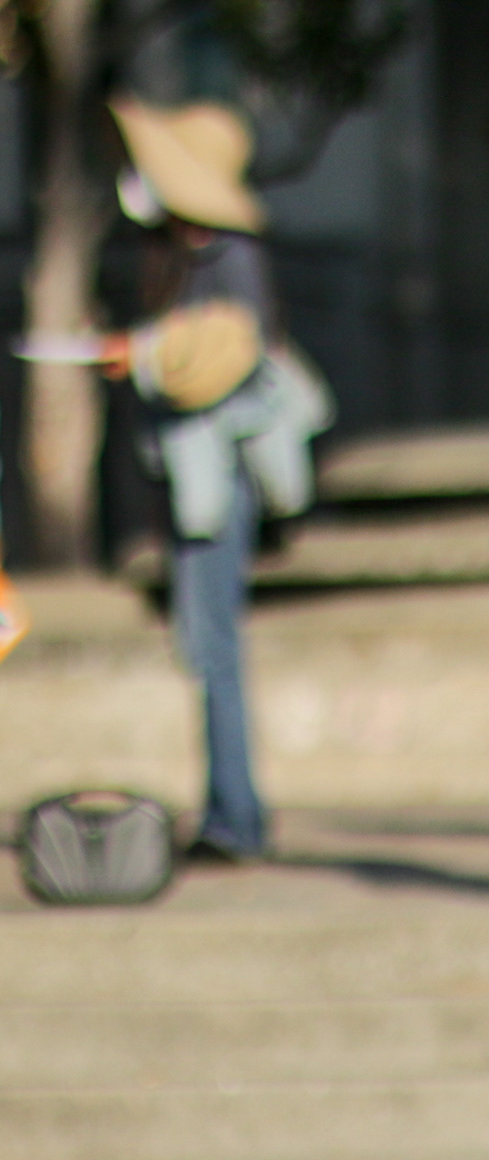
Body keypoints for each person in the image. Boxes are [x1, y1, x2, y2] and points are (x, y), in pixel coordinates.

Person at [99, 98, 332, 864]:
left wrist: (148, 354)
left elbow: (223, 357)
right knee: (204, 645)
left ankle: (236, 817)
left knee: (216, 647)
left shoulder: (229, 258)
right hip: (188, 477)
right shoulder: (181, 258)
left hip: (219, 480)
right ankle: (228, 809)